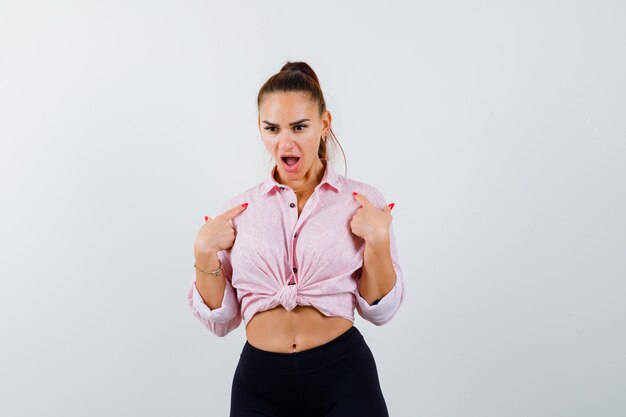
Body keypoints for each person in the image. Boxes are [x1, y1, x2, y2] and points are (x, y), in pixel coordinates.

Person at [187, 61, 406, 417]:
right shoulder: (238, 210)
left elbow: (379, 310)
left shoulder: (362, 202)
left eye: (299, 127)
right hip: (260, 386)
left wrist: (379, 241)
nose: (284, 142)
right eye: (271, 128)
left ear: (324, 125)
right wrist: (203, 252)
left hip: (345, 378)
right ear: (259, 129)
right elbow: (222, 320)